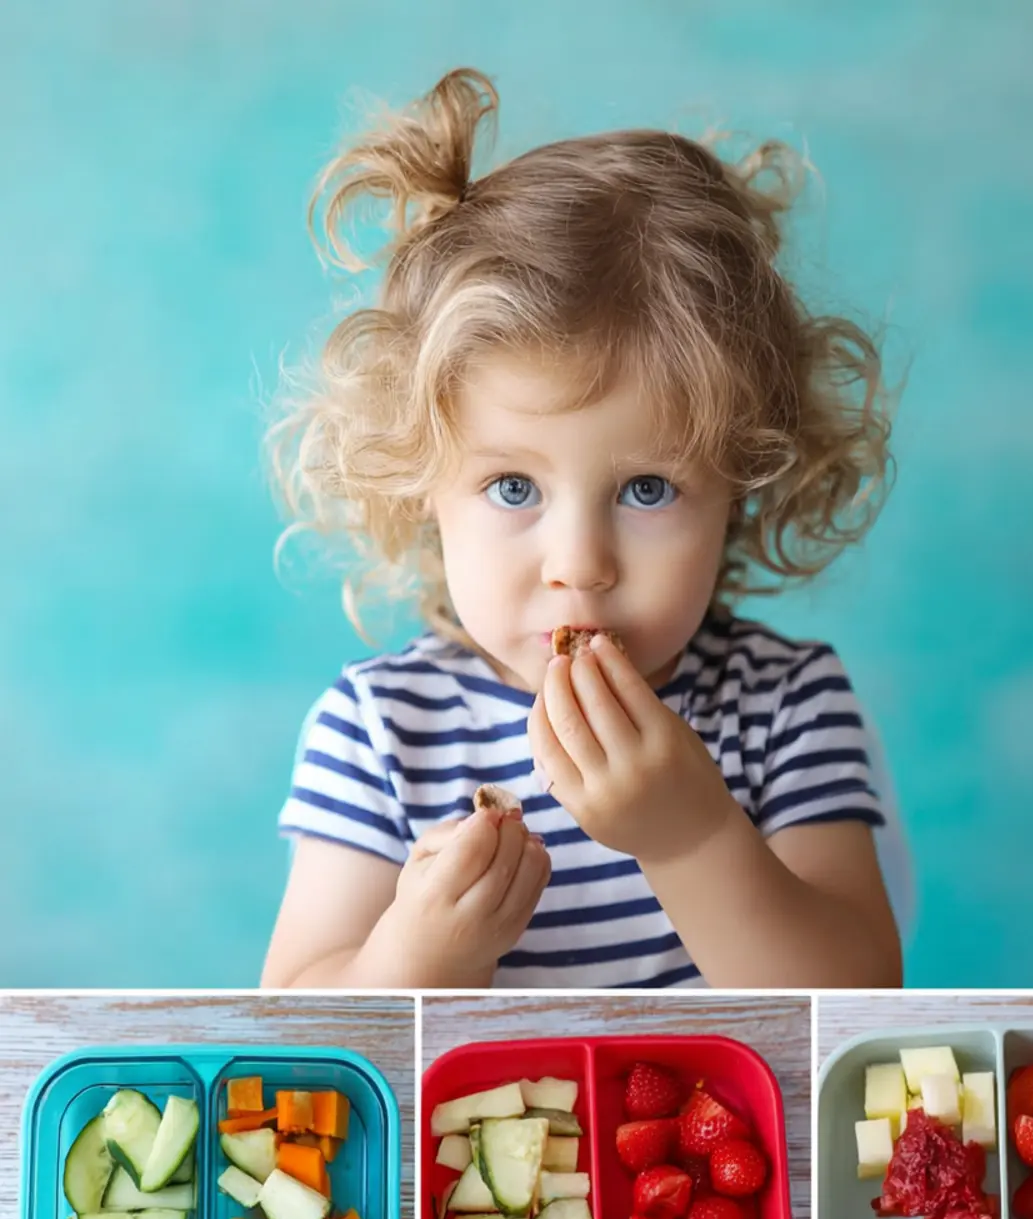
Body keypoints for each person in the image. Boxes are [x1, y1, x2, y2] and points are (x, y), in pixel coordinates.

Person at [262, 67, 906, 990]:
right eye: (514, 487)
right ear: (421, 486)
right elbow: (293, 1029)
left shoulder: (784, 709)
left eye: (648, 489)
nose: (581, 566)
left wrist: (691, 835)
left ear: (742, 490)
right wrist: (415, 956)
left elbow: (860, 999)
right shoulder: (380, 732)